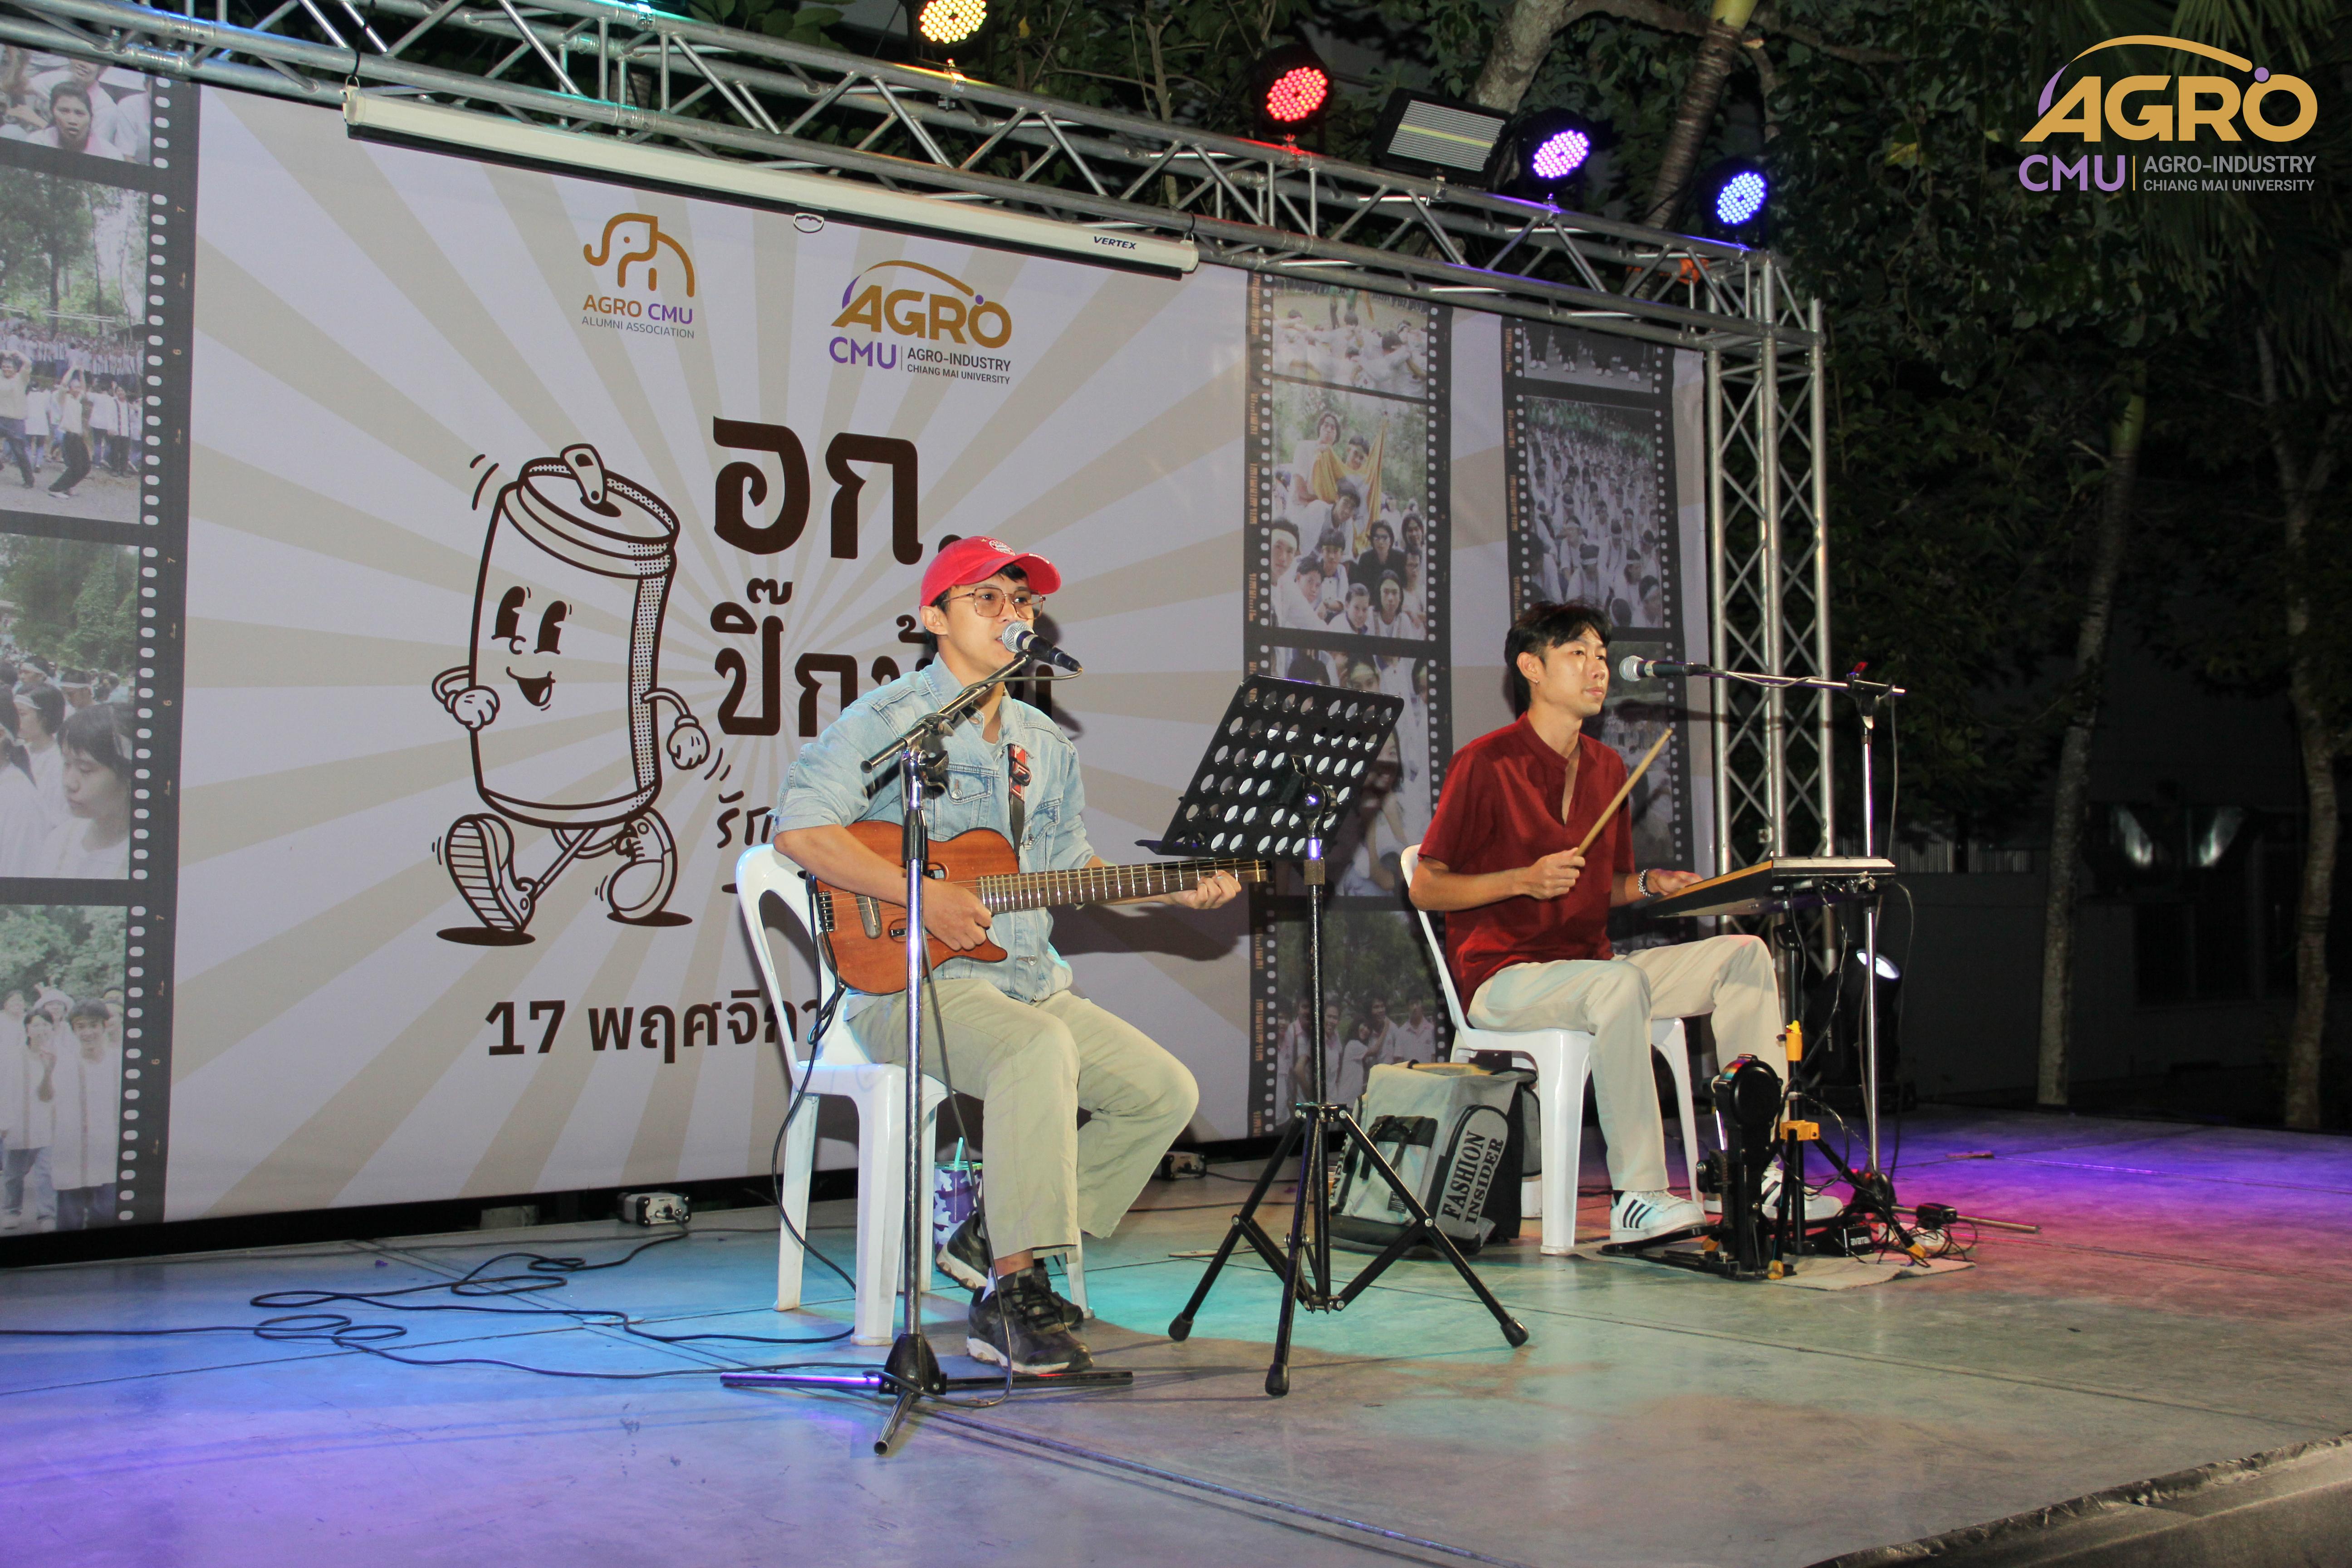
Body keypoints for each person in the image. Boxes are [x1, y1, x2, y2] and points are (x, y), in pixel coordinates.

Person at [774, 535, 1240, 1375]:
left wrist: (1170, 888)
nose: (1011, 613)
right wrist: (921, 896)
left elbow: (1068, 868)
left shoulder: (1044, 743)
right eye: (986, 598)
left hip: (1028, 982)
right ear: (934, 619)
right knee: (1037, 1049)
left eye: (1022, 600)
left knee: (1161, 1092)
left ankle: (992, 1233)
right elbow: (802, 831)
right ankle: (1011, 1291)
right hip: (909, 986)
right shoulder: (887, 722)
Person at [1408, 602, 1840, 1245]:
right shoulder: (1486, 762)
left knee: (1744, 954)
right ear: (1531, 667)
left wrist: (1647, 883)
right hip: (1504, 976)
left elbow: (1600, 887)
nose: (1598, 669)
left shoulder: (1608, 768)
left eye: (1602, 657)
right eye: (1577, 654)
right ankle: (1638, 1194)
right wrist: (1522, 880)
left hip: (1592, 968)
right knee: (1618, 984)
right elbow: (1425, 885)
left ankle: (1759, 1171)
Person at [49, 996, 118, 1230]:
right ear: (73, 1030)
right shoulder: (63, 1063)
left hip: (108, 1151)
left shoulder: (118, 1062)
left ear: (104, 1026)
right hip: (71, 1152)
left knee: (107, 1214)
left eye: (93, 1025)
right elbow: (48, 1102)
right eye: (81, 1027)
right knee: (69, 1220)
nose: (88, 1032)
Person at [39, 700, 130, 877]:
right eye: (67, 764)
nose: (69, 783)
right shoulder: (60, 839)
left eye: (85, 769)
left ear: (128, 776)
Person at [17, 682, 65, 831]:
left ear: (45, 718)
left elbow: (56, 816)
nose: (16, 719)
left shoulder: (59, 761)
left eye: (22, 714)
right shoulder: (19, 752)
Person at [0, 352, 32, 486]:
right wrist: (3, 352)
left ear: (15, 369)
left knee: (19, 452)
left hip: (16, 421)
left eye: (9, 367)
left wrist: (16, 353)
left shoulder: (21, 378)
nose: (6, 369)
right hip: (1, 418)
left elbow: (28, 363)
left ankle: (29, 480)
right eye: (4, 367)